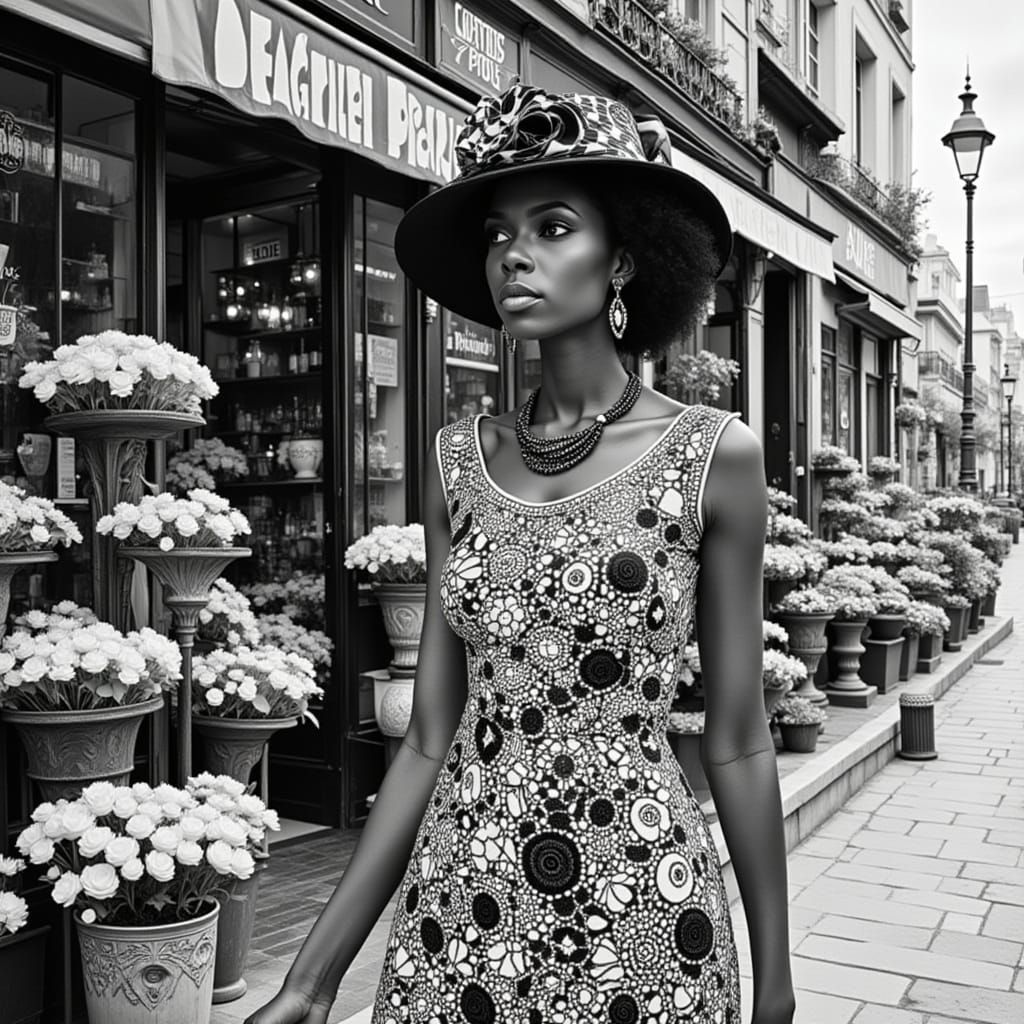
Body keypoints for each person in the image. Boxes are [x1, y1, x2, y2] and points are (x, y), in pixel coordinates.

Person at [246, 83, 795, 1024]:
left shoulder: (713, 456)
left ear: (623, 260)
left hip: (644, 916)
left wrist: (775, 981)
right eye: (500, 233)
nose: (515, 255)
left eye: (551, 227)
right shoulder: (458, 460)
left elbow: (739, 739)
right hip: (459, 912)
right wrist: (310, 980)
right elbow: (427, 736)